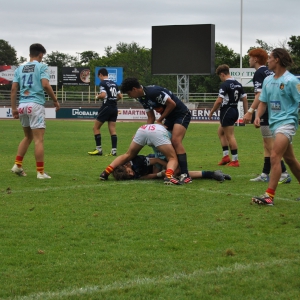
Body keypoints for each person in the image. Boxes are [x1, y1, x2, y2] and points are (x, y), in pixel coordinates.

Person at [120, 77, 192, 184]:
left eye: (129, 93)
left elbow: (172, 104)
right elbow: (150, 118)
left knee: (176, 141)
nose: (130, 96)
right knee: (168, 142)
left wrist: (160, 119)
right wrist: (142, 131)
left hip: (181, 114)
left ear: (134, 89)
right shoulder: (142, 98)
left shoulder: (153, 92)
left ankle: (185, 174)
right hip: (169, 117)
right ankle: (174, 170)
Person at [252, 48, 300, 206]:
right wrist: (258, 116)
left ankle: (269, 196)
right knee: (291, 160)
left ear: (277, 60)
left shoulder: (291, 81)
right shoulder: (268, 80)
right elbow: (263, 101)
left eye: (270, 58)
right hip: (274, 124)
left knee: (274, 156)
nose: (268, 61)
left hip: (287, 123)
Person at [11, 43, 60, 179]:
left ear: (29, 54)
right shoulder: (42, 66)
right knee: (39, 140)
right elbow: (45, 84)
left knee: (28, 137)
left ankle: (17, 165)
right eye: (42, 56)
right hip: (35, 105)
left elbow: (14, 89)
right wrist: (55, 100)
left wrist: (14, 108)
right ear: (40, 55)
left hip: (22, 105)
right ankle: (40, 172)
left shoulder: (19, 69)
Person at [243, 48, 291, 184]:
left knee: (270, 144)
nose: (249, 60)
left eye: (250, 57)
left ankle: (284, 172)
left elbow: (259, 95)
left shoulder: (259, 72)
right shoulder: (269, 72)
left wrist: (251, 111)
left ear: (256, 59)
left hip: (267, 112)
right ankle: (265, 173)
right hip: (276, 110)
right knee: (267, 144)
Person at [100, 124, 182, 185]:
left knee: (128, 154)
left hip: (142, 130)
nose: (131, 174)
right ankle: (169, 176)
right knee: (173, 158)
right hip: (155, 131)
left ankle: (105, 172)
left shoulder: (136, 163)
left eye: (129, 172)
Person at [208, 64, 248, 167]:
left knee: (230, 136)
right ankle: (226, 157)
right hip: (234, 110)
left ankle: (235, 160)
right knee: (220, 132)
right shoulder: (238, 84)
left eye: (220, 77)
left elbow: (219, 101)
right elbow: (244, 99)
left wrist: (212, 111)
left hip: (227, 110)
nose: (220, 79)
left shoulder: (225, 85)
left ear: (222, 74)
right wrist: (247, 112)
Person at [111, 154, 231, 182]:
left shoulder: (138, 161)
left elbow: (156, 160)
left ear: (126, 165)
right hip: (155, 171)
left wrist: (168, 169)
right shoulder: (130, 174)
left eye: (129, 172)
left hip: (160, 161)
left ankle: (212, 173)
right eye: (129, 175)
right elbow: (144, 177)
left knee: (177, 172)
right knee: (178, 175)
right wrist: (160, 175)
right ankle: (212, 174)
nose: (131, 174)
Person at [88, 68, 122, 156]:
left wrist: (97, 97)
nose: (99, 78)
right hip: (114, 108)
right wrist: (113, 100)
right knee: (112, 130)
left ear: (100, 74)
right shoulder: (114, 83)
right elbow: (120, 96)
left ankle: (98, 149)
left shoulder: (102, 83)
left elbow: (103, 95)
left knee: (95, 128)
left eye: (99, 76)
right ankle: (113, 151)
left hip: (106, 107)